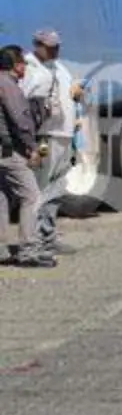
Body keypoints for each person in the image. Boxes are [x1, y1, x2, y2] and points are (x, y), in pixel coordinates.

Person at [22, 30, 82, 256]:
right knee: (40, 189)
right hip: (46, 136)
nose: (55, 50)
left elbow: (68, 95)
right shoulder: (30, 68)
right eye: (49, 46)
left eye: (57, 46)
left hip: (64, 134)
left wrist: (76, 96)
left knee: (56, 189)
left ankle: (48, 236)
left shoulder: (59, 67)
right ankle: (34, 240)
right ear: (37, 44)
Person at [0, 45, 49, 267]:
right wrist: (32, 147)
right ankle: (28, 250)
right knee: (32, 196)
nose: (25, 68)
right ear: (16, 65)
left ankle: (1, 250)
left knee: (1, 198)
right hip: (8, 152)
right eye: (23, 63)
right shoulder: (8, 85)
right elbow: (20, 120)